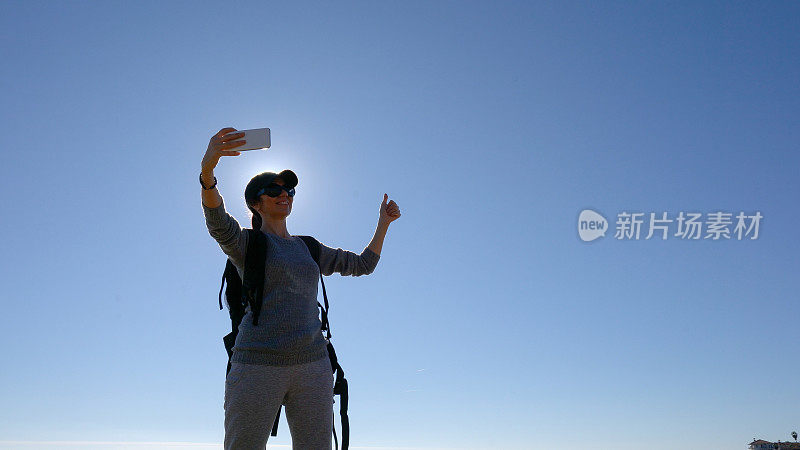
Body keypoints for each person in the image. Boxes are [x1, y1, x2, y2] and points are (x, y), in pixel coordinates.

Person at [200, 127, 401, 450]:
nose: (285, 194)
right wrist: (208, 172)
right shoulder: (246, 244)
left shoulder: (309, 247)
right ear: (255, 202)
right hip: (256, 362)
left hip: (313, 365)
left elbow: (363, 265)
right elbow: (217, 222)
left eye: (290, 190)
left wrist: (383, 224)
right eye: (274, 189)